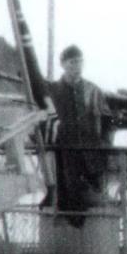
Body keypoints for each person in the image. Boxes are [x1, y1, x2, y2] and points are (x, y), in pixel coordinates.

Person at [48, 45, 114, 221]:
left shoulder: (92, 91)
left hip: (91, 155)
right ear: (63, 64)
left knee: (93, 199)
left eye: (79, 62)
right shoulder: (53, 90)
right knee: (65, 196)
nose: (77, 66)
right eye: (72, 62)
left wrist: (105, 145)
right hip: (63, 154)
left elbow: (108, 122)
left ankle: (88, 235)